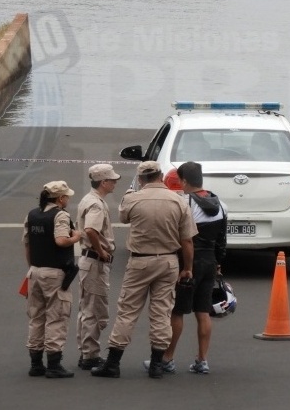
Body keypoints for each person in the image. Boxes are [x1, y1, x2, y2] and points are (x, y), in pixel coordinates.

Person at [91, 161, 197, 379]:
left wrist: (129, 195)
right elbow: (187, 240)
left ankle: (113, 362)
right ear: (160, 176)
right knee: (161, 312)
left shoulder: (133, 199)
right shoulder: (178, 201)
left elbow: (123, 217)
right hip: (168, 262)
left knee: (127, 311)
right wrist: (187, 267)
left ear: (141, 179)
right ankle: (157, 364)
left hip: (140, 260)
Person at [156, 161, 227, 375]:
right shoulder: (220, 203)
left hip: (188, 261)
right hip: (209, 261)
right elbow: (222, 239)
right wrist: (219, 263)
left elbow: (177, 235)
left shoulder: (183, 202)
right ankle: (202, 360)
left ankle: (167, 358)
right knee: (203, 311)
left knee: (177, 311)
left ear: (184, 181)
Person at [23, 180, 81, 378]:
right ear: (60, 198)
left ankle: (36, 363)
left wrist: (32, 267)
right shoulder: (60, 215)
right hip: (55, 273)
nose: (68, 200)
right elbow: (61, 240)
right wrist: (76, 237)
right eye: (67, 197)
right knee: (56, 317)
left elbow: (27, 245)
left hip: (35, 272)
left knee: (36, 317)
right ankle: (54, 365)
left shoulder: (32, 215)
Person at [75, 163, 120, 371]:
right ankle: (90, 355)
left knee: (87, 309)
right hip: (94, 262)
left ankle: (86, 352)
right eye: (112, 180)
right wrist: (102, 252)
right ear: (103, 182)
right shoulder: (96, 204)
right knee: (95, 310)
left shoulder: (89, 199)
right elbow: (92, 229)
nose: (114, 183)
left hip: (88, 261)